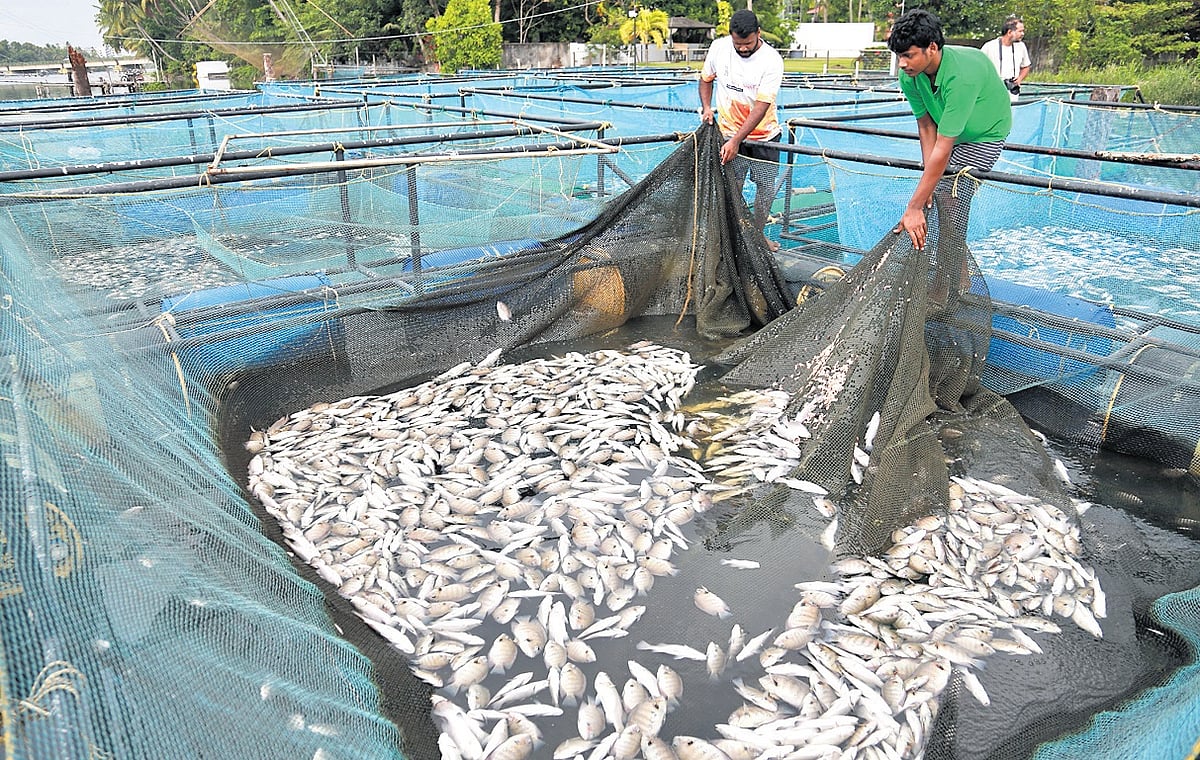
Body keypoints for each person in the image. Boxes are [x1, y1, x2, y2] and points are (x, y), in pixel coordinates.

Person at [887, 8, 1012, 253]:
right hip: (950, 133)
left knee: (948, 199)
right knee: (934, 196)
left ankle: (952, 280)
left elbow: (943, 146)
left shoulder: (962, 74)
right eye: (899, 56)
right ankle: (953, 273)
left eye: (909, 55)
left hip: (985, 135)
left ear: (932, 48)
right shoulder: (910, 75)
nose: (902, 64)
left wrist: (914, 206)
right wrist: (927, 183)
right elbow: (926, 125)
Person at [698, 9, 785, 250]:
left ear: (758, 34)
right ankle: (733, 236)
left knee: (765, 190)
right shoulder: (719, 48)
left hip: (764, 136)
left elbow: (761, 107)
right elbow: (706, 79)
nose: (743, 48)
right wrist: (707, 107)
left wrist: (737, 140)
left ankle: (757, 236)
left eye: (747, 43)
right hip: (728, 133)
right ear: (731, 37)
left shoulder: (772, 60)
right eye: (738, 43)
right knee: (732, 187)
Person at [981, 16, 1032, 101]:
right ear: (1009, 32)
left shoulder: (1021, 46)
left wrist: (1019, 79)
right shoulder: (989, 46)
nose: (1022, 34)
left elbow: (1026, 66)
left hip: (1012, 94)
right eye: (1020, 31)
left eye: (1023, 31)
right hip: (992, 93)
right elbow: (979, 68)